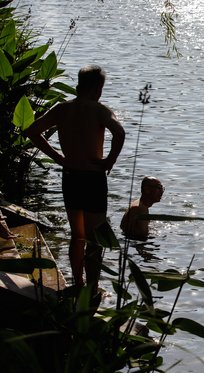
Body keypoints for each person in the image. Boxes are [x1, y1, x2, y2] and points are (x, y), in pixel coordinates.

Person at [25, 65, 125, 293]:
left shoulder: (62, 109)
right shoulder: (100, 110)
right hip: (93, 178)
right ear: (98, 88)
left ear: (78, 86)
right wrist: (109, 160)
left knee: (77, 234)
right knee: (94, 237)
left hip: (70, 175)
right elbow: (119, 133)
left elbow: (32, 131)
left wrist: (58, 158)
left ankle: (77, 283)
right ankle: (92, 288)